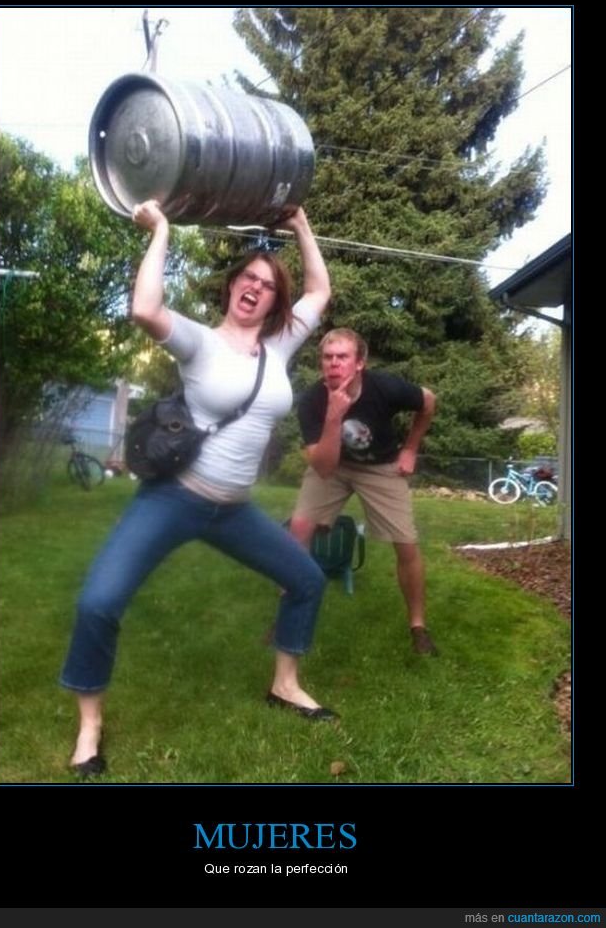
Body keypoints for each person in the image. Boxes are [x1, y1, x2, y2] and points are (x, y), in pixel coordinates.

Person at [61, 201, 336, 777]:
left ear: (274, 300)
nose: (255, 288)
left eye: (267, 284)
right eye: (247, 278)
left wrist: (301, 224)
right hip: (175, 499)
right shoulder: (199, 342)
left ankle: (285, 685)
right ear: (232, 286)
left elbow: (320, 290)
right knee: (99, 602)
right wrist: (161, 229)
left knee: (307, 579)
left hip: (234, 511)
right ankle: (89, 726)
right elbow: (145, 308)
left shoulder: (281, 346)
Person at [289, 328, 438, 655]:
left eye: (342, 357)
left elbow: (428, 401)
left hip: (381, 466)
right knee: (298, 529)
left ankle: (418, 627)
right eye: (328, 357)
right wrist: (333, 417)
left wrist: (410, 449)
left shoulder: (385, 387)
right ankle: (287, 617)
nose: (333, 363)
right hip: (333, 465)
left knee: (406, 542)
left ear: (360, 363)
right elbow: (323, 468)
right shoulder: (312, 400)